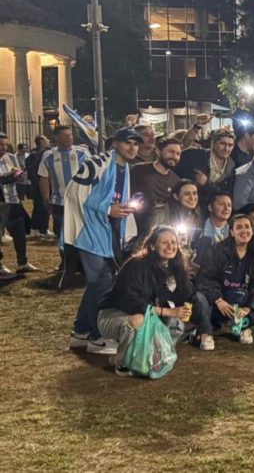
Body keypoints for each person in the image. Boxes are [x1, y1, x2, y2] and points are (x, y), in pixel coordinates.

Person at [65, 127, 142, 355]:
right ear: (115, 143)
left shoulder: (124, 168)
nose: (133, 147)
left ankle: (81, 331)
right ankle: (96, 336)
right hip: (90, 230)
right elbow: (74, 192)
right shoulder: (97, 163)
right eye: (128, 142)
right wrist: (107, 208)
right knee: (102, 281)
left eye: (136, 144)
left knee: (101, 282)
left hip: (107, 231)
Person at [96, 226, 195, 375]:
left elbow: (185, 295)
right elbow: (129, 302)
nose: (170, 247)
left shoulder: (172, 266)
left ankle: (146, 353)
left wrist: (179, 280)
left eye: (174, 243)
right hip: (115, 314)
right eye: (165, 243)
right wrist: (167, 311)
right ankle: (122, 363)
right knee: (138, 320)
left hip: (148, 315)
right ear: (153, 246)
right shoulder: (137, 266)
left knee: (176, 324)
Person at [192, 214, 254, 350]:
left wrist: (248, 308)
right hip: (219, 301)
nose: (244, 230)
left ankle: (242, 327)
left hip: (241, 299)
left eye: (247, 227)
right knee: (200, 298)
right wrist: (218, 300)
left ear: (252, 231)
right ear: (231, 232)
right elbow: (204, 279)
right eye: (239, 227)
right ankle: (206, 333)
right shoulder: (217, 250)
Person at [37, 126, 89, 278]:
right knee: (62, 233)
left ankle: (82, 263)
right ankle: (66, 263)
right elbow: (44, 178)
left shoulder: (82, 152)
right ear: (56, 139)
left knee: (81, 232)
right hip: (59, 202)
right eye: (65, 136)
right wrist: (46, 199)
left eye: (70, 135)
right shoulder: (48, 156)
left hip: (81, 201)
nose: (69, 138)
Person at [130, 138, 182, 234]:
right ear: (158, 151)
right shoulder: (139, 170)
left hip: (163, 231)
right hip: (136, 226)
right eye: (171, 152)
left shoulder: (176, 181)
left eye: (178, 154)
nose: (174, 156)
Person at [175, 129, 235, 209]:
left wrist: (207, 183)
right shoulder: (196, 155)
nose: (226, 149)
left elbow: (225, 193)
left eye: (230, 145)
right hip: (189, 206)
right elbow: (175, 163)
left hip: (213, 209)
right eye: (222, 144)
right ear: (213, 143)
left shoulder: (231, 166)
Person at [0, 132, 33, 275]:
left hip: (13, 200)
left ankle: (22, 263)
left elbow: (19, 173)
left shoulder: (11, 157)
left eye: (5, 144)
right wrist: (11, 177)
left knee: (19, 233)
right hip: (1, 202)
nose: (3, 147)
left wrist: (19, 176)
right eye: (0, 145)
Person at [148, 180, 203, 263]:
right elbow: (147, 240)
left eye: (194, 193)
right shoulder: (161, 212)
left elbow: (186, 246)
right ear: (176, 196)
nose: (192, 198)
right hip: (157, 260)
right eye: (187, 194)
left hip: (178, 259)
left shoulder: (193, 216)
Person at [25, 134, 52, 238]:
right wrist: (39, 183)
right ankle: (40, 229)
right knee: (42, 207)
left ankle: (41, 228)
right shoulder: (37, 154)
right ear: (41, 141)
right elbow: (32, 171)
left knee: (40, 207)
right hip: (40, 185)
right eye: (46, 139)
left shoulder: (34, 153)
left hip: (39, 184)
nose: (48, 141)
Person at [194, 192, 233, 257]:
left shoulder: (234, 230)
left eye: (229, 205)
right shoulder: (197, 228)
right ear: (210, 207)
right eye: (221, 204)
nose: (226, 208)